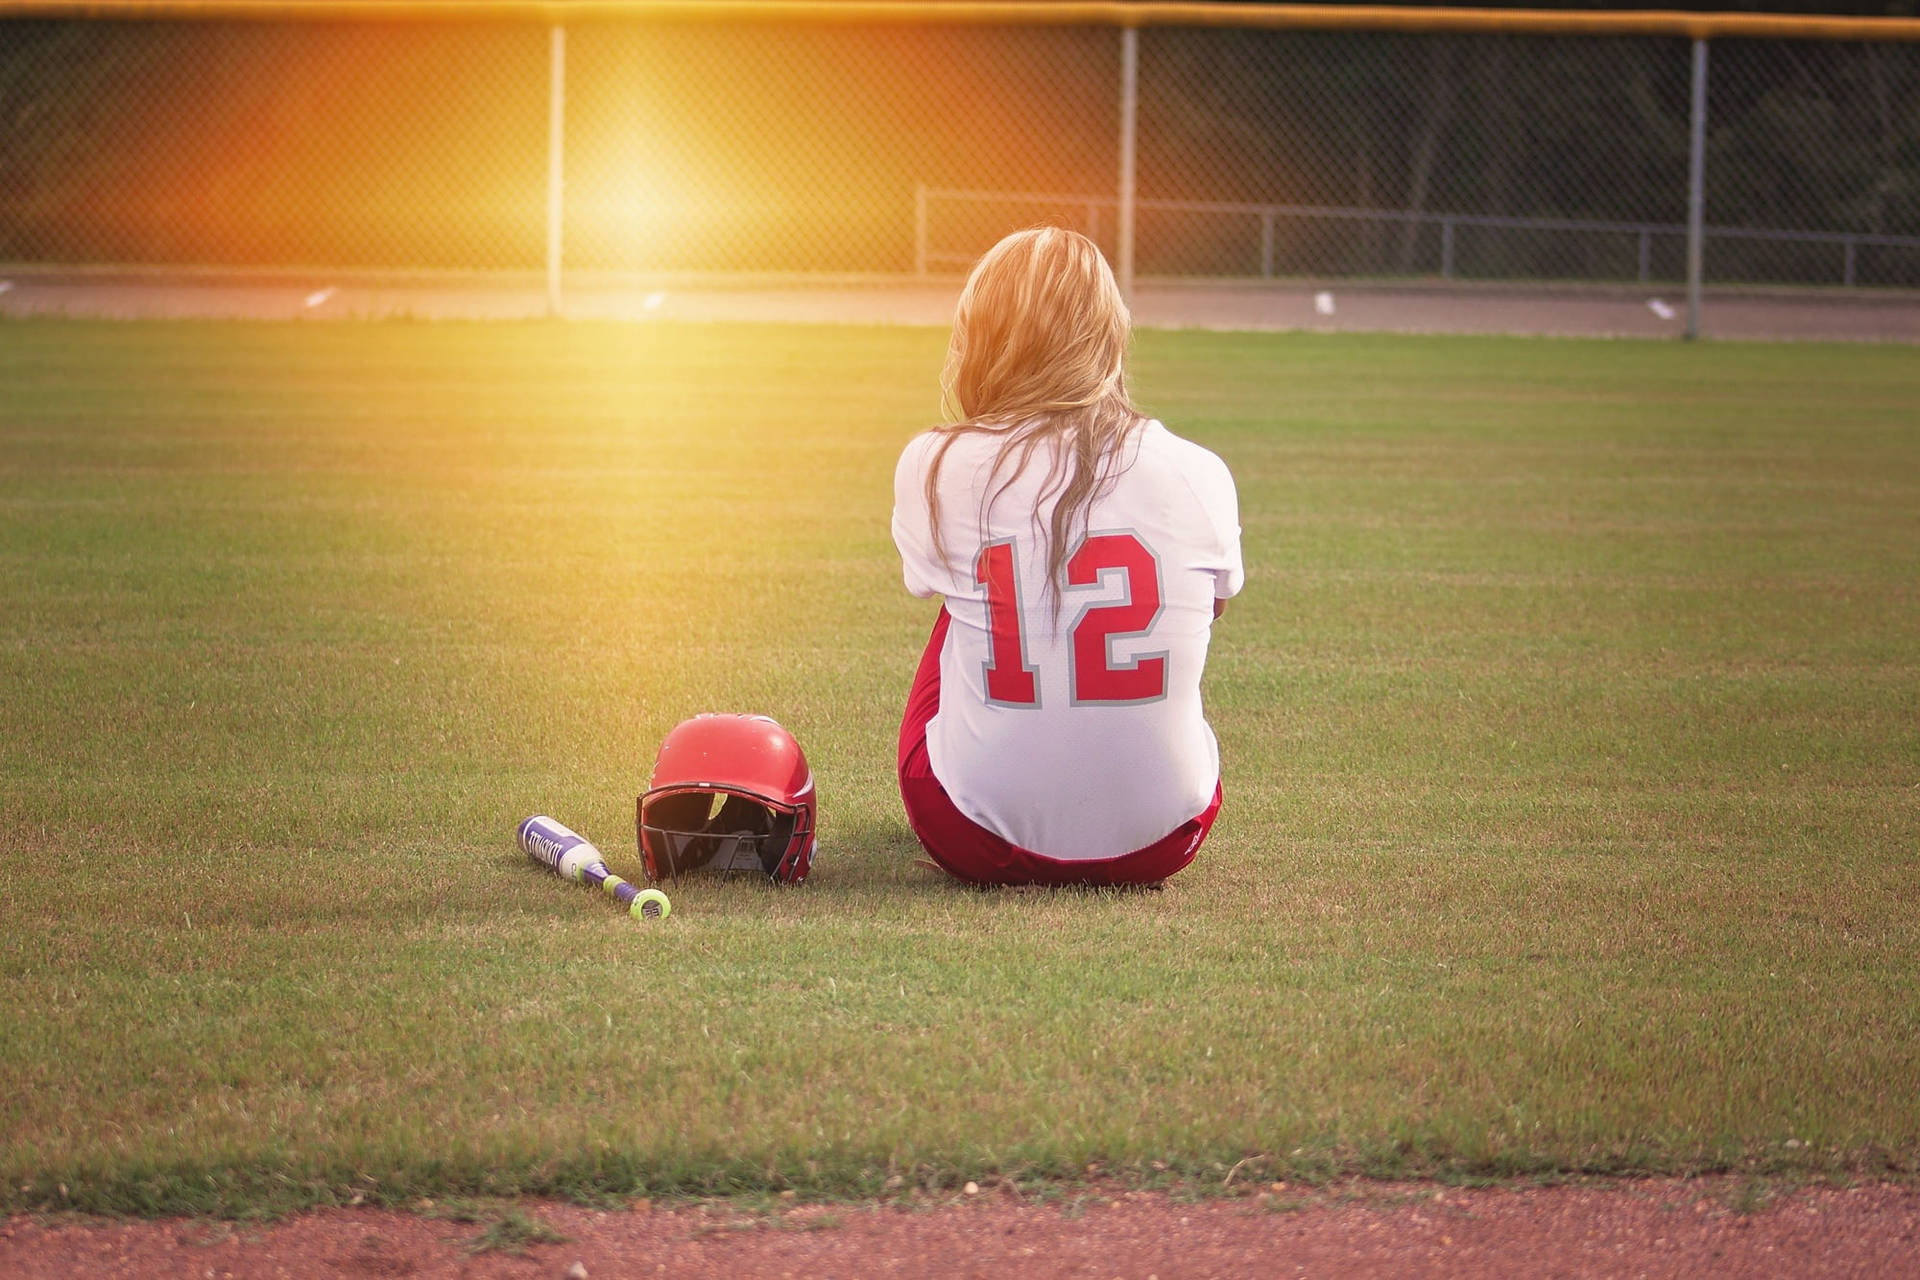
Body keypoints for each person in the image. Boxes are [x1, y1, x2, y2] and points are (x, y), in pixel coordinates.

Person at [891, 227, 1243, 887]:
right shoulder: (1201, 470)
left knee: (964, 602)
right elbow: (1208, 609)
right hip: (1164, 840)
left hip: (970, 836)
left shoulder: (935, 462)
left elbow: (939, 585)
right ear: (1109, 333)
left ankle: (1009, 772)